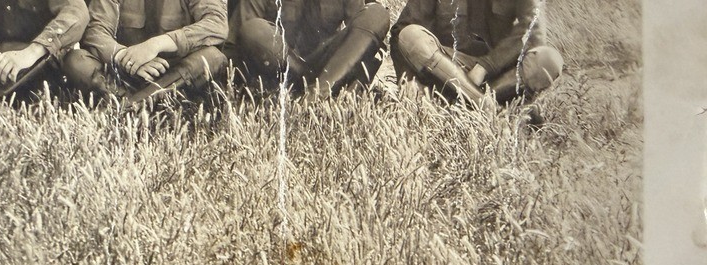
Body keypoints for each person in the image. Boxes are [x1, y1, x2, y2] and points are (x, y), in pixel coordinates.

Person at [390, 0, 563, 104]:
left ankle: (467, 103)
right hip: (446, 71)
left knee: (549, 59)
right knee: (410, 35)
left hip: (500, 77)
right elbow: (402, 29)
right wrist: (408, 81)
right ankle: (486, 107)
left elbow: (533, 32)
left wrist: (486, 66)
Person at [63, 0, 228, 105]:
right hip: (128, 74)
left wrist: (155, 45)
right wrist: (126, 58)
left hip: (178, 75)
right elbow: (95, 31)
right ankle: (143, 106)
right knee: (75, 60)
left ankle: (125, 109)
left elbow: (216, 24)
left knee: (212, 57)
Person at [226, 0, 390, 99]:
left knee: (376, 13)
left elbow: (360, 39)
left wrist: (357, 83)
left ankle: (317, 96)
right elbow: (235, 46)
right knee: (254, 30)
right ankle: (308, 94)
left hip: (326, 67)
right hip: (279, 66)